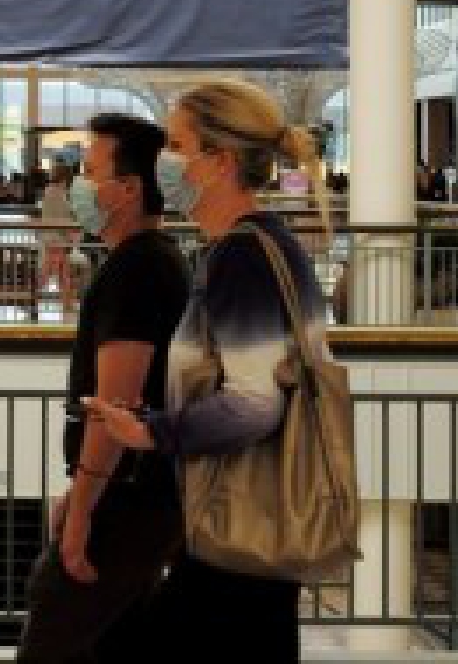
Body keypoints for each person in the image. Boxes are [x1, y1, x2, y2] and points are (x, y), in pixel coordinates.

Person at [87, 80, 329, 662]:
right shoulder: (266, 247)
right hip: (250, 525)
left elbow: (255, 401)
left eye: (175, 145)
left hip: (237, 531)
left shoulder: (243, 258)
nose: (164, 162)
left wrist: (151, 432)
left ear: (218, 161)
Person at [18, 114, 189, 664]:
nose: (79, 187)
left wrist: (84, 508)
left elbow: (115, 405)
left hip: (129, 498)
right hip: (147, 492)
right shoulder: (157, 261)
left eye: (90, 172)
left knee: (52, 634)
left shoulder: (135, 271)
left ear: (129, 189)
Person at [37, 161, 78, 313]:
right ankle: (33, 300)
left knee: (61, 272)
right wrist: (72, 234)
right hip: (57, 239)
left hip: (51, 237)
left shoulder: (49, 191)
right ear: (65, 178)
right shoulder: (58, 194)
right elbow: (63, 217)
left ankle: (67, 304)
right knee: (52, 272)